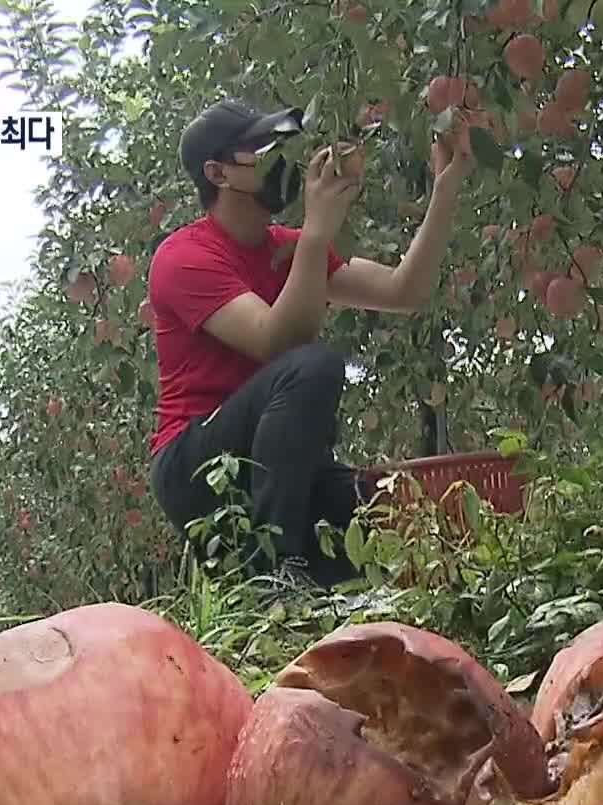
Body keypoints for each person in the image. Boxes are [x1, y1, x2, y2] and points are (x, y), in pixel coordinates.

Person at [145, 98, 474, 589]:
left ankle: (296, 587)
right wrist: (318, 231)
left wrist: (445, 190)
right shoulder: (184, 256)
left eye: (280, 143)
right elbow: (278, 344)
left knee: (372, 513)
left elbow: (406, 291)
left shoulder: (286, 246)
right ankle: (274, 574)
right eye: (260, 148)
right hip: (196, 466)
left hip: (271, 465)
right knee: (313, 366)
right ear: (217, 173)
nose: (280, 157)